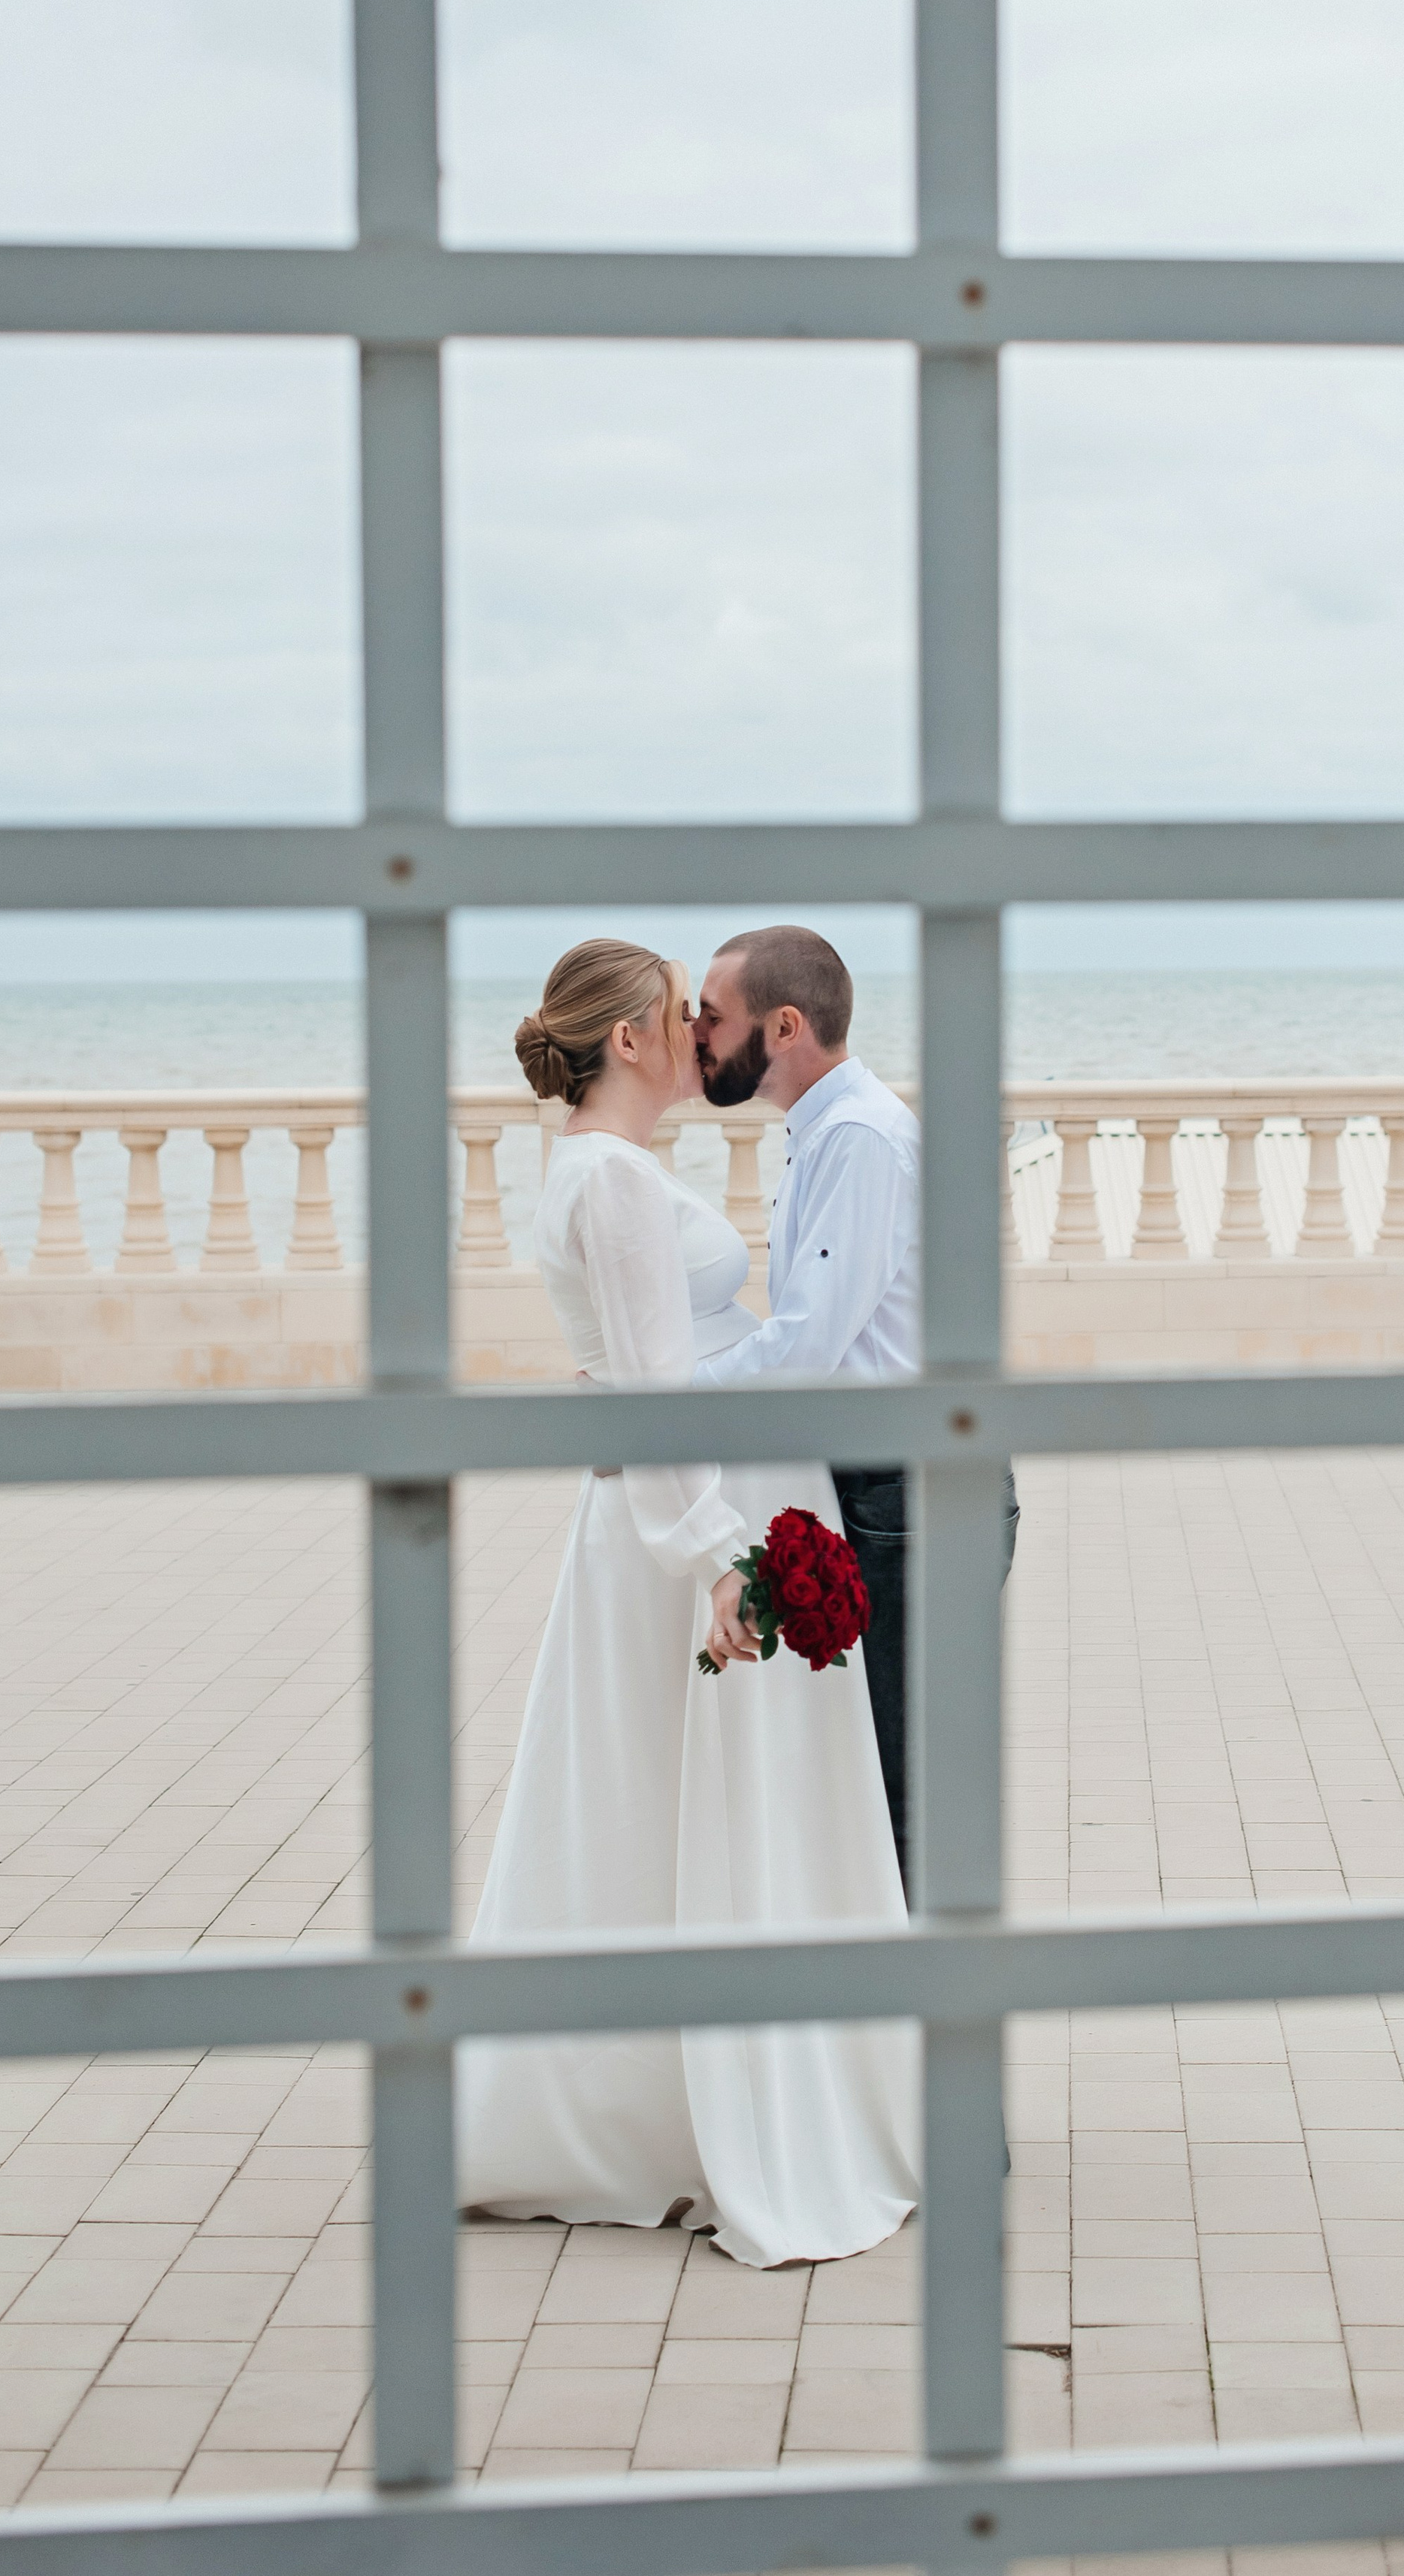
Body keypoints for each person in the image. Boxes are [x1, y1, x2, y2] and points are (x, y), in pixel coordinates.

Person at [456, 939, 916, 2269]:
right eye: (680, 1014)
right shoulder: (610, 1178)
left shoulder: (615, 1168)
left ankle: (731, 2089)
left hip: (718, 1492)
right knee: (715, 1808)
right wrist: (718, 1557)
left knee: (699, 1806)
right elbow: (656, 1394)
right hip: (700, 1514)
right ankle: (733, 2109)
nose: (698, 1034)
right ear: (631, 1040)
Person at [693, 925, 1018, 1890]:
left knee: (899, 1789)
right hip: (896, 1489)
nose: (697, 1033)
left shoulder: (858, 1139)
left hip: (908, 1496)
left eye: (713, 1016)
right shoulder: (832, 1131)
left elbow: (806, 1344)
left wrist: (660, 1402)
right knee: (883, 1782)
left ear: (785, 1025)